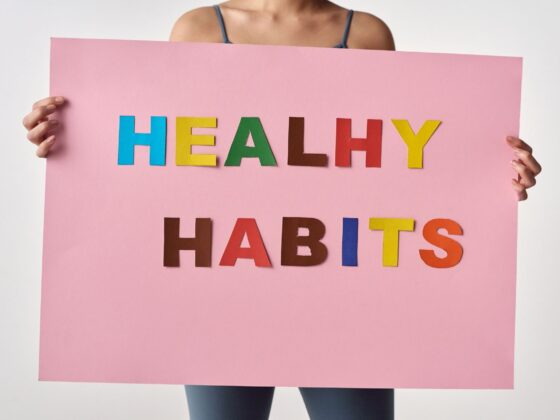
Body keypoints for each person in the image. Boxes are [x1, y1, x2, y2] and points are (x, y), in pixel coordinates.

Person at [21, 1, 542, 419]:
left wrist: (489, 178)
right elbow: (172, 156)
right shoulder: (200, 27)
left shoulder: (365, 34)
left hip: (341, 285)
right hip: (223, 284)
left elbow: (393, 160)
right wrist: (77, 135)